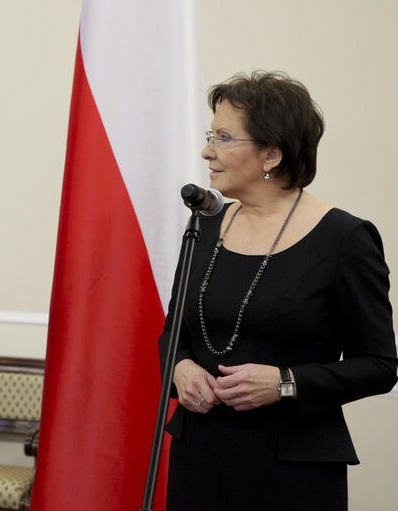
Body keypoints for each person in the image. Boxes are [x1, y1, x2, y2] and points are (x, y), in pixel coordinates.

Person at [160, 71, 397, 510]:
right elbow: (171, 336)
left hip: (292, 470)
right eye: (211, 134)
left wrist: (286, 383)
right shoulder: (204, 227)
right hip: (201, 458)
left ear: (271, 154)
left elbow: (380, 366)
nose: (207, 151)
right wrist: (181, 369)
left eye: (225, 137)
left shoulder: (345, 239)